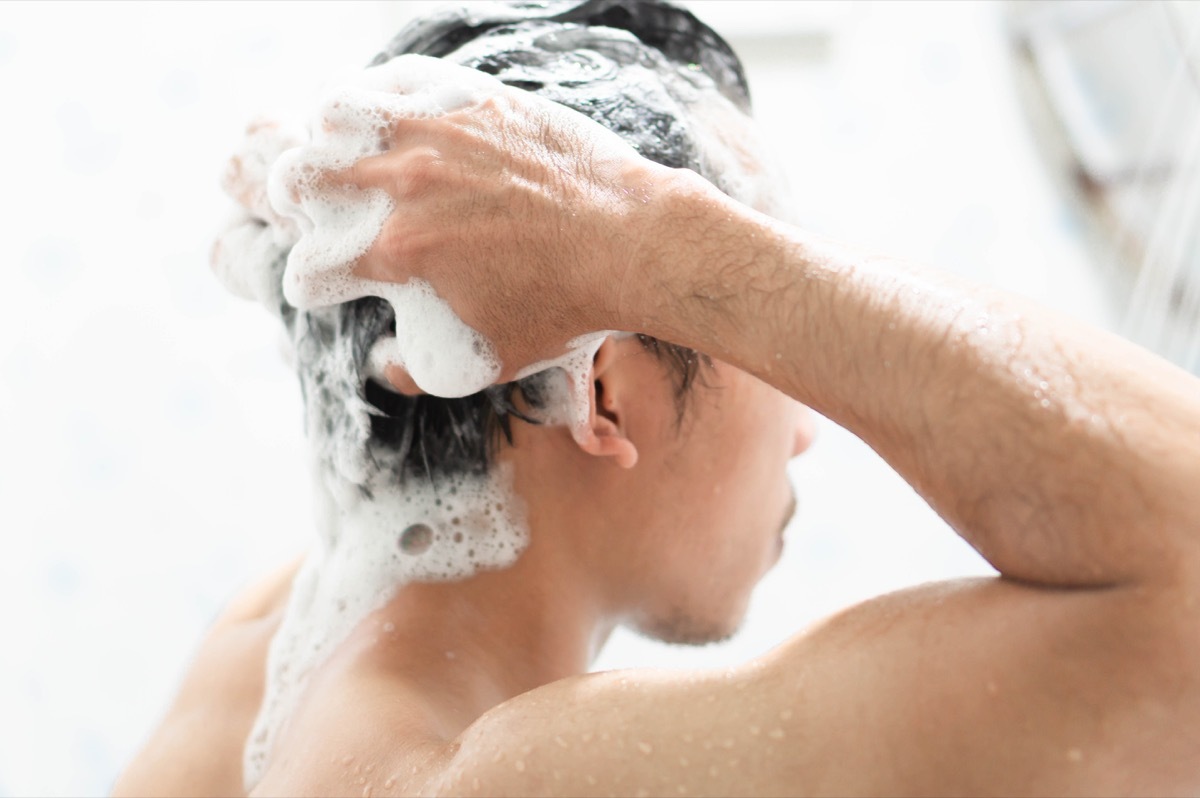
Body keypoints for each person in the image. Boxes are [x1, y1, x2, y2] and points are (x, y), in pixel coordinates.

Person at [118, 1, 1200, 795]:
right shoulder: (487, 780)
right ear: (606, 393)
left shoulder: (262, 655)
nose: (810, 430)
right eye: (747, 333)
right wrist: (633, 232)